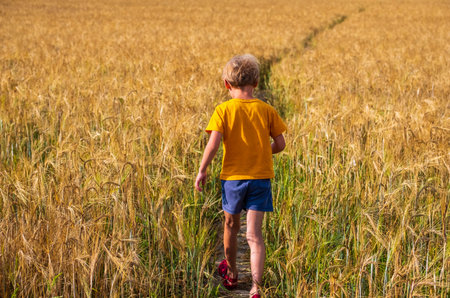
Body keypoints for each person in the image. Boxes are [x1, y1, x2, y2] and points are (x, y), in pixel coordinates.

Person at [194, 54, 287, 298]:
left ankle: (232, 273)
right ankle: (256, 288)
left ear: (226, 84)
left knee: (231, 225)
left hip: (233, 180)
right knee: (254, 235)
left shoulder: (223, 110)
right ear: (256, 83)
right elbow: (281, 143)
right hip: (260, 178)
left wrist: (202, 169)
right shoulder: (266, 110)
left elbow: (213, 145)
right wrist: (262, 150)